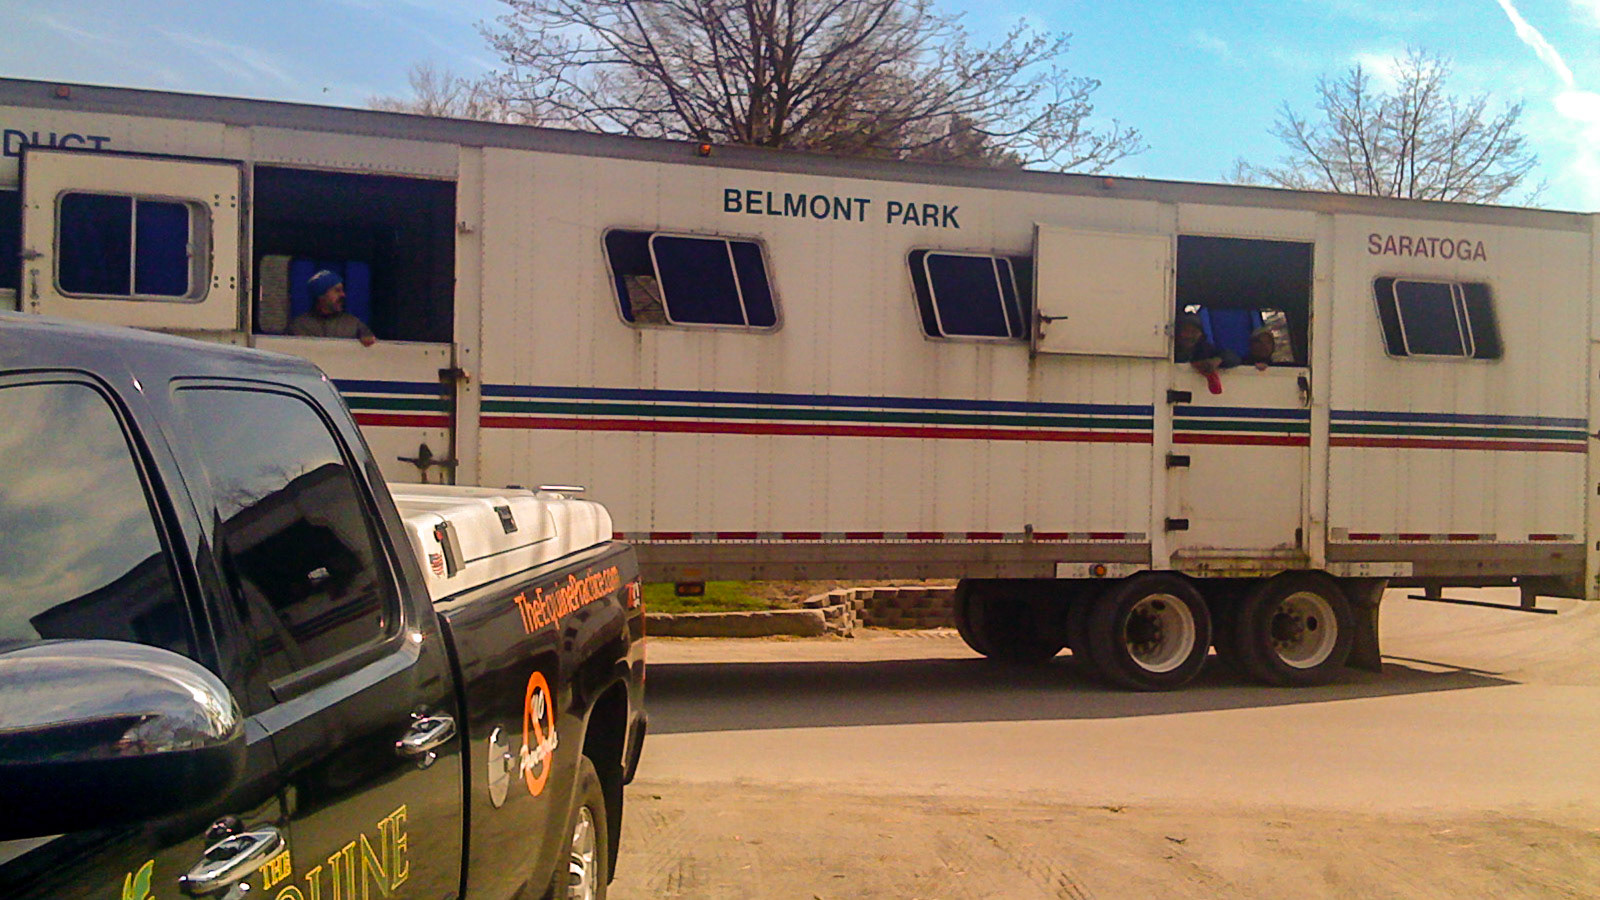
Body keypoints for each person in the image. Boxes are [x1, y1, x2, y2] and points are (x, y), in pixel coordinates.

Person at [289, 270, 376, 346]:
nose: (343, 295)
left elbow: (370, 339)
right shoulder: (299, 326)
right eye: (337, 290)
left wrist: (367, 337)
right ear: (321, 295)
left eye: (342, 290)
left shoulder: (353, 324)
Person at [1173, 313, 1236, 395]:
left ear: (1201, 334)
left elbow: (1234, 357)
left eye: (1194, 332)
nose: (1189, 336)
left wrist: (1217, 360)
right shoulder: (1170, 348)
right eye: (1186, 331)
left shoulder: (1205, 349)